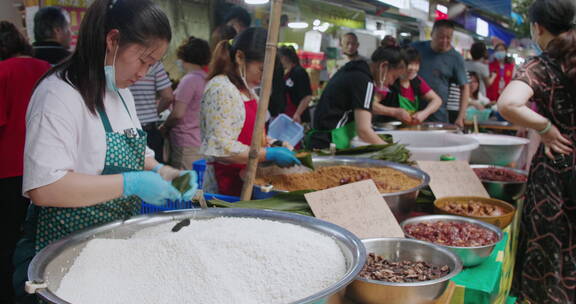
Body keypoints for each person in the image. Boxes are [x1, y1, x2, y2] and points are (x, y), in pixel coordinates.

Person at [12, 0, 197, 302]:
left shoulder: (121, 93)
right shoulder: (58, 94)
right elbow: (44, 188)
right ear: (112, 40)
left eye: (153, 65)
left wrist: (165, 172)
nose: (144, 72)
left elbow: (140, 152)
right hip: (63, 249)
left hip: (109, 245)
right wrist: (132, 183)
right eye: (143, 60)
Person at [497, 0, 576, 302]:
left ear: (537, 27)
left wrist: (545, 128)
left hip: (555, 175)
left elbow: (508, 104)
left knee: (550, 253)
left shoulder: (541, 65)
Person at [200, 28, 300, 196]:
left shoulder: (248, 90)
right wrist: (269, 154)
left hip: (247, 181)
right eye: (261, 69)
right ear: (239, 57)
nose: (263, 78)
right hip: (224, 186)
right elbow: (222, 148)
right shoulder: (221, 89)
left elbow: (253, 136)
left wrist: (275, 144)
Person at [0, 21, 51, 304]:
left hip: (7, 171)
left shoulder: (2, 72)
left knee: (7, 241)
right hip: (45, 171)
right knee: (36, 238)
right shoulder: (46, 68)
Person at [308, 46, 406, 149]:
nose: (391, 83)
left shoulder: (354, 70)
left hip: (320, 139)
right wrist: (392, 150)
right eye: (394, 77)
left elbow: (364, 105)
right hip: (330, 143)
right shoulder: (364, 81)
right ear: (384, 66)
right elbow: (363, 131)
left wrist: (395, 112)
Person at [160, 36, 210, 170]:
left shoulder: (189, 80)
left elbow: (178, 114)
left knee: (183, 185)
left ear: (183, 57)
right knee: (197, 183)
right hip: (200, 140)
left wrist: (165, 126)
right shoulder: (207, 79)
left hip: (185, 143)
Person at [412, 19, 469, 126]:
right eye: (441, 37)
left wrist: (460, 117)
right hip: (411, 109)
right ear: (432, 33)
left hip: (438, 115)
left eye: (448, 37)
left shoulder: (455, 58)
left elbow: (465, 87)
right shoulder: (416, 48)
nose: (444, 41)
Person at [373, 47, 442, 125]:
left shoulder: (416, 81)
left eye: (416, 64)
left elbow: (437, 100)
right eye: (410, 64)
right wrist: (394, 112)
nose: (413, 68)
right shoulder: (388, 80)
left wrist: (424, 113)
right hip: (388, 130)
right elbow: (371, 105)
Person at [128, 61, 174, 163]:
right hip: (149, 128)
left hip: (126, 129)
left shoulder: (123, 61)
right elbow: (168, 96)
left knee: (129, 172)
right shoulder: (155, 64)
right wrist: (154, 111)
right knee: (154, 171)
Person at [278, 46, 313, 123]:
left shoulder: (299, 72)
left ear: (284, 58)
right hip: (286, 116)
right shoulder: (284, 73)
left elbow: (307, 96)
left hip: (298, 118)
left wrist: (297, 114)